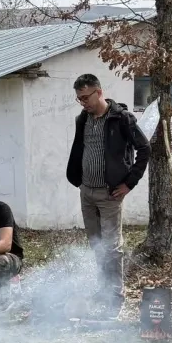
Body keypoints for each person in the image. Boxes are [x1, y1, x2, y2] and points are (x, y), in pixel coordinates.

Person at [65, 73, 151, 315]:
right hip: (86, 192)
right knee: (96, 245)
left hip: (110, 194)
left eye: (86, 97)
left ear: (99, 92)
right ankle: (104, 288)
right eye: (79, 99)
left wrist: (129, 184)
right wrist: (79, 180)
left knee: (112, 247)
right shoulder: (83, 119)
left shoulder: (121, 118)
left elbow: (144, 149)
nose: (83, 103)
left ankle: (116, 295)